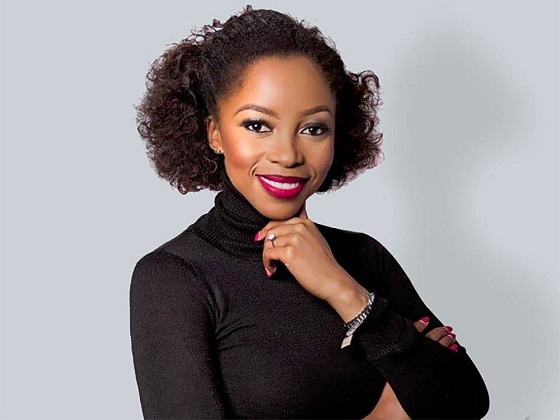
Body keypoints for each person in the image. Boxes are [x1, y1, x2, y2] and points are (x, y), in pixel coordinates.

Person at [130, 6, 490, 419]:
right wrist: (384, 414)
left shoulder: (362, 257)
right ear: (215, 133)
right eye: (257, 125)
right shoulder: (175, 277)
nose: (287, 155)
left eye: (313, 128)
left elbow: (467, 403)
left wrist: (346, 292)